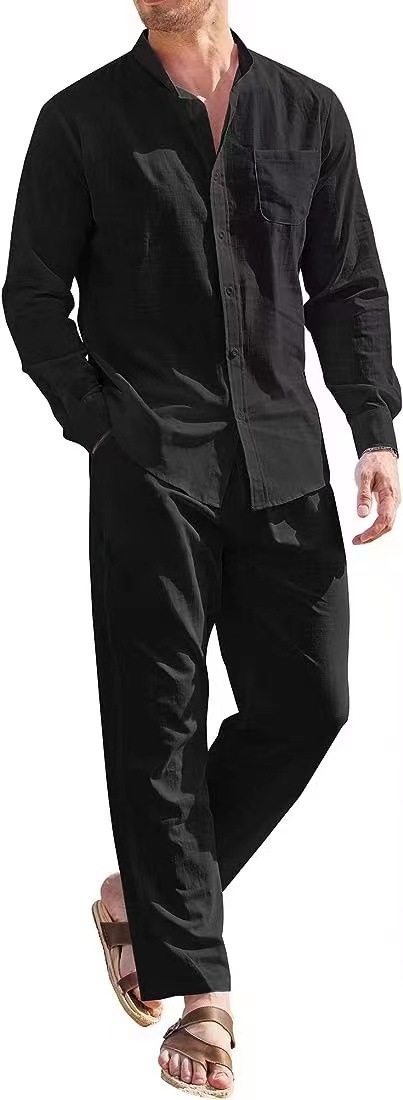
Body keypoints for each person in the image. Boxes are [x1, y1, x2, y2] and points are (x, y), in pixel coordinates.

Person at [2, 1, 401, 1095]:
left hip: (282, 459)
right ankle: (203, 990)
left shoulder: (308, 114)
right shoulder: (80, 119)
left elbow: (347, 284)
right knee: (159, 722)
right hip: (152, 465)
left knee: (309, 703)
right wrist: (101, 425)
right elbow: (31, 291)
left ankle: (141, 900)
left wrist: (373, 429)